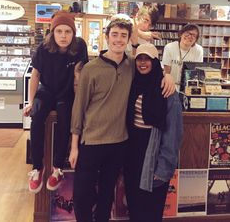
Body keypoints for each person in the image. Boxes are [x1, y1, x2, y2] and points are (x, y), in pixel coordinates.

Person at [69, 18, 175, 222]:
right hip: (91, 141)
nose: (118, 40)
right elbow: (78, 108)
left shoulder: (131, 66)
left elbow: (152, 68)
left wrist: (167, 76)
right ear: (106, 37)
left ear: (128, 39)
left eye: (123, 36)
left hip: (119, 143)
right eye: (114, 35)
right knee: (82, 195)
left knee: (107, 195)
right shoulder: (91, 69)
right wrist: (74, 146)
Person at [23, 10, 88, 194]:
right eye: (59, 31)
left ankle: (58, 167)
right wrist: (30, 101)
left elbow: (79, 74)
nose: (63, 36)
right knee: (36, 119)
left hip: (66, 92)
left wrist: (80, 100)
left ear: (73, 33)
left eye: (68, 32)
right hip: (46, 90)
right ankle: (37, 167)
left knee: (65, 120)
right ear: (53, 32)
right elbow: (35, 75)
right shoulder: (43, 48)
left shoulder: (80, 46)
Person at [124, 43, 183, 222]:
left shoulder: (166, 89)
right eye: (139, 59)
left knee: (152, 207)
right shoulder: (132, 84)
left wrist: (164, 166)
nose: (143, 63)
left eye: (147, 59)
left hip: (154, 151)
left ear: (155, 62)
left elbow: (173, 133)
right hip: (133, 152)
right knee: (134, 203)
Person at [162, 23, 203, 90]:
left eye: (194, 35)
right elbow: (167, 73)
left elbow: (197, 71)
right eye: (188, 33)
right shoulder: (169, 47)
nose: (190, 36)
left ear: (196, 39)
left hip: (189, 86)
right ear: (181, 34)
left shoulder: (198, 50)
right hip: (171, 84)